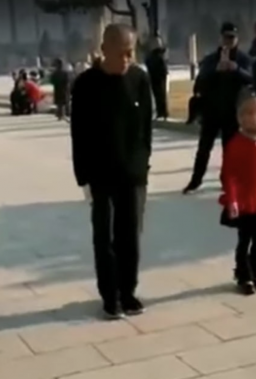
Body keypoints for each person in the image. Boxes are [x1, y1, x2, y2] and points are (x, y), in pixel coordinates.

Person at [70, 23, 153, 320]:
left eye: (131, 52)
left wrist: (143, 165)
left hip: (132, 174)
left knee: (130, 236)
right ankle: (110, 296)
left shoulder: (139, 79)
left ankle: (128, 291)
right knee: (104, 238)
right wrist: (83, 178)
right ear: (104, 50)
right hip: (99, 174)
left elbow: (145, 128)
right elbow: (78, 133)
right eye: (122, 53)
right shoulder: (85, 85)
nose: (127, 58)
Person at [219, 96, 256, 295]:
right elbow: (228, 173)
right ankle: (243, 275)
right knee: (244, 239)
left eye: (254, 115)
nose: (249, 119)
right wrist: (232, 198)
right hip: (244, 201)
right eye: (245, 114)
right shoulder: (236, 144)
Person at [183, 22, 252, 194]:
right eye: (226, 37)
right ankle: (195, 180)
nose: (228, 41)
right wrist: (216, 69)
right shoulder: (211, 58)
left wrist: (236, 69)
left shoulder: (243, 59)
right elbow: (199, 82)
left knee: (230, 150)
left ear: (237, 39)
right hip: (211, 110)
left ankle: (228, 181)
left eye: (232, 38)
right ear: (220, 38)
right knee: (204, 148)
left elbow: (252, 79)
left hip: (232, 111)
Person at [145, 39, 169, 120]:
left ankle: (161, 112)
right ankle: (163, 112)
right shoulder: (158, 57)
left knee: (158, 95)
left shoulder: (150, 57)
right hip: (160, 77)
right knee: (162, 95)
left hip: (154, 77)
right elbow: (163, 68)